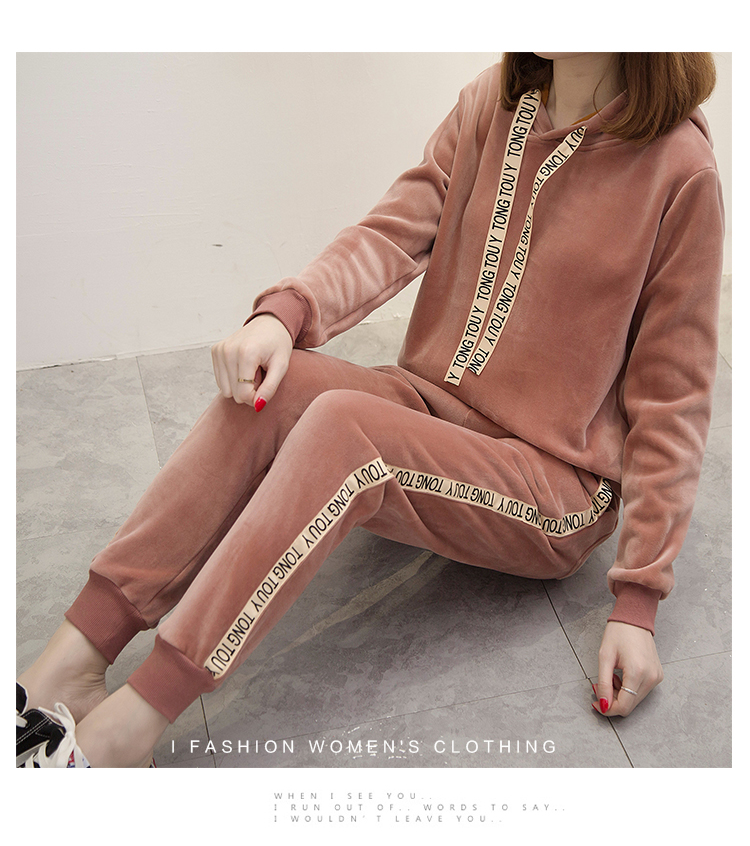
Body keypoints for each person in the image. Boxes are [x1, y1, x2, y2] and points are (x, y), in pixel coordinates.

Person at [17, 52, 723, 767]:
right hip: (431, 407)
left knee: (345, 430)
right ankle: (71, 660)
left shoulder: (679, 169)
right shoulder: (494, 100)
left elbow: (675, 395)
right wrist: (285, 314)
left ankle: (127, 731)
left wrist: (638, 603)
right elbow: (393, 231)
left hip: (555, 485)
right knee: (275, 392)